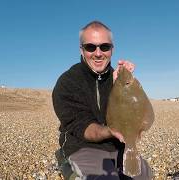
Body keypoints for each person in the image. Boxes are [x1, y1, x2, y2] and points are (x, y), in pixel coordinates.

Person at [52, 20, 152, 180]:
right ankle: (67, 165)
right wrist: (111, 130)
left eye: (104, 46)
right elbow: (84, 128)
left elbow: (138, 106)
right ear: (82, 49)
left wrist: (125, 82)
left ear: (112, 49)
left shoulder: (117, 78)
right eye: (90, 47)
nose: (98, 53)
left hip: (117, 146)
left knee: (143, 176)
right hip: (82, 146)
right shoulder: (68, 82)